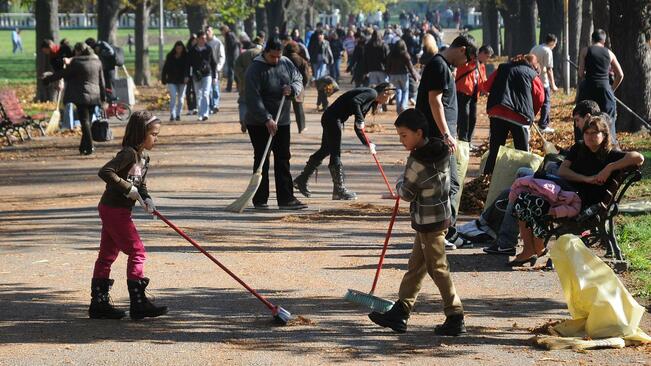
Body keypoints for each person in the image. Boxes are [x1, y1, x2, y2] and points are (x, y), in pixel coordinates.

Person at [368, 108, 466, 336]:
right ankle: (400, 312)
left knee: (438, 268)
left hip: (428, 222)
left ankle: (455, 315)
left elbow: (407, 193)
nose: (401, 140)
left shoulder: (416, 161)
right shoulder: (440, 149)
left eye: (404, 135)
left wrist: (399, 183)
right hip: (438, 216)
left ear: (418, 133)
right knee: (416, 266)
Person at [508, 115, 644, 266]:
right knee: (524, 197)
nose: (589, 137)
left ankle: (535, 249)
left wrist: (609, 168)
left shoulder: (611, 154)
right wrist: (587, 179)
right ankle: (530, 249)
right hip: (564, 192)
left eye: (594, 133)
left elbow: (638, 157)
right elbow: (562, 172)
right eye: (587, 133)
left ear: (604, 135)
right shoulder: (579, 147)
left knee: (529, 200)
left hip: (581, 202)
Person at [90, 111, 168, 320]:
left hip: (117, 210)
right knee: (137, 252)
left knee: (107, 256)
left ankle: (99, 304)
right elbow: (105, 172)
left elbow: (140, 185)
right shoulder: (128, 154)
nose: (156, 138)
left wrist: (146, 198)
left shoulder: (144, 158)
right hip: (114, 210)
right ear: (140, 134)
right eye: (153, 134)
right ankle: (138, 302)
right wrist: (126, 188)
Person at [416, 35, 477, 249]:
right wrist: (445, 134)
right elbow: (435, 101)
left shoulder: (441, 65)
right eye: (467, 58)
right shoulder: (439, 66)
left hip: (440, 136)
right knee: (450, 184)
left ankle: (440, 232)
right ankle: (446, 232)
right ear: (461, 49)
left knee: (444, 185)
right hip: (437, 137)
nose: (466, 64)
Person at [294, 82, 394, 200]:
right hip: (332, 118)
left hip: (332, 118)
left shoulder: (370, 100)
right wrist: (359, 118)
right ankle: (339, 190)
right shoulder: (372, 93)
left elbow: (358, 126)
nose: (387, 102)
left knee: (325, 150)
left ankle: (301, 179)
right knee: (335, 152)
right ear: (384, 92)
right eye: (388, 98)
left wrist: (368, 143)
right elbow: (354, 102)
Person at [244, 37, 306, 210]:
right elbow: (252, 98)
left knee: (283, 158)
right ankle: (260, 199)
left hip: (282, 120)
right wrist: (266, 118)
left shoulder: (286, 63)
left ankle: (286, 198)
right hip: (258, 122)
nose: (276, 60)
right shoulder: (254, 70)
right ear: (265, 52)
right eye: (273, 57)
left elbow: (298, 79)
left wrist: (292, 89)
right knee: (262, 158)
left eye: (279, 56)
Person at [481, 54, 545, 175]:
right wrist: (532, 114)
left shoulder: (502, 68)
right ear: (532, 66)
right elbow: (540, 98)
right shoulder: (532, 75)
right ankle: (523, 179)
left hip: (497, 112)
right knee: (522, 152)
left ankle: (487, 178)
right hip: (520, 117)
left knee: (495, 149)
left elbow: (486, 86)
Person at [43, 42, 105, 155]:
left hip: (81, 96)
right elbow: (102, 81)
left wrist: (48, 79)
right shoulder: (97, 62)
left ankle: (90, 146)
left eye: (76, 52)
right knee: (88, 122)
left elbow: (64, 73)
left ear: (79, 52)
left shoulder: (77, 62)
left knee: (85, 122)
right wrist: (103, 98)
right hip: (95, 96)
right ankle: (83, 147)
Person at [577, 29, 624, 146]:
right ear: (604, 41)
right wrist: (611, 90)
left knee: (585, 119)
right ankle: (610, 147)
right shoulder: (609, 53)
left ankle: (583, 146)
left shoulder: (585, 51)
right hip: (605, 89)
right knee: (608, 121)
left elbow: (581, 73)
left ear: (592, 40)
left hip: (588, 89)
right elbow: (620, 75)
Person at [456, 45, 493, 145]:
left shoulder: (482, 66)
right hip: (464, 92)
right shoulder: (468, 62)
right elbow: (461, 69)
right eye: (487, 56)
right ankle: (462, 140)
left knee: (472, 118)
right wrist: (473, 61)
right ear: (481, 53)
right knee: (464, 117)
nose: (487, 59)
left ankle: (468, 140)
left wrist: (485, 91)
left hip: (474, 94)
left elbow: (482, 80)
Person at [530, 34, 559, 133]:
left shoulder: (535, 48)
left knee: (532, 102)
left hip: (533, 80)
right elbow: (549, 69)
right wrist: (553, 85)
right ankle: (543, 125)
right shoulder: (548, 51)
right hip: (543, 81)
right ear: (552, 42)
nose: (555, 46)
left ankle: (528, 122)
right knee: (546, 103)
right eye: (555, 44)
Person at [234, 36, 264, 133]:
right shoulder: (262, 54)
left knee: (243, 102)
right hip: (258, 84)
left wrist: (241, 78)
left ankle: (243, 119)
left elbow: (236, 67)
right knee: (257, 102)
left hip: (244, 83)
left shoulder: (245, 53)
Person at [188, 31, 217, 121]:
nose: (204, 40)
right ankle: (200, 114)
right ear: (198, 39)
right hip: (196, 75)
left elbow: (213, 63)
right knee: (198, 94)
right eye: (202, 38)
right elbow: (188, 64)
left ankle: (205, 113)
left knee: (205, 93)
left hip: (207, 74)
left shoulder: (208, 49)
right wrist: (188, 75)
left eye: (205, 38)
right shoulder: (193, 50)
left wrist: (214, 77)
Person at [284, 41, 310, 133]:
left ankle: (281, 126)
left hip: (284, 87)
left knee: (283, 108)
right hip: (298, 87)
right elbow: (306, 76)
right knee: (298, 108)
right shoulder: (302, 61)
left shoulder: (283, 60)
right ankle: (301, 127)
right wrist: (303, 85)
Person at [387, 40, 419, 114]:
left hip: (393, 75)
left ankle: (398, 109)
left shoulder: (391, 54)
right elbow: (410, 67)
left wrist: (388, 74)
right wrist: (415, 77)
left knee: (397, 91)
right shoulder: (405, 55)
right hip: (403, 75)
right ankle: (403, 106)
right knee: (405, 90)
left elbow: (388, 65)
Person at [161, 41, 190, 121]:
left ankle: (178, 114)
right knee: (173, 97)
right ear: (175, 48)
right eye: (177, 48)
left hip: (182, 80)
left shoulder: (186, 56)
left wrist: (187, 76)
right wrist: (163, 78)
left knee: (181, 99)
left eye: (180, 48)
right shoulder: (170, 56)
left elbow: (188, 68)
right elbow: (165, 68)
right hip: (172, 79)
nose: (179, 50)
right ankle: (172, 114)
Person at [205, 26, 225, 113]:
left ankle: (215, 104)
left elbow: (222, 56)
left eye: (208, 31)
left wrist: (218, 67)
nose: (207, 32)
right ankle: (211, 106)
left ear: (212, 31)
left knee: (215, 87)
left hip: (215, 68)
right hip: (206, 70)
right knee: (208, 89)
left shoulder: (217, 42)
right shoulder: (204, 42)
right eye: (206, 31)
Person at [221, 25, 241, 93]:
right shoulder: (231, 34)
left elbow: (232, 46)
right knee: (234, 71)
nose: (221, 33)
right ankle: (239, 86)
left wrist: (228, 53)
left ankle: (229, 88)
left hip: (232, 56)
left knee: (231, 72)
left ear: (224, 30)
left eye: (222, 31)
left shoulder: (229, 35)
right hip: (234, 55)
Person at [185, 34, 198, 115]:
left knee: (195, 91)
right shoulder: (187, 51)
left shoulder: (198, 50)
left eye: (195, 40)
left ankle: (195, 107)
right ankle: (190, 108)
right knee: (188, 92)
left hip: (196, 74)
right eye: (193, 40)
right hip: (188, 74)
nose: (194, 42)